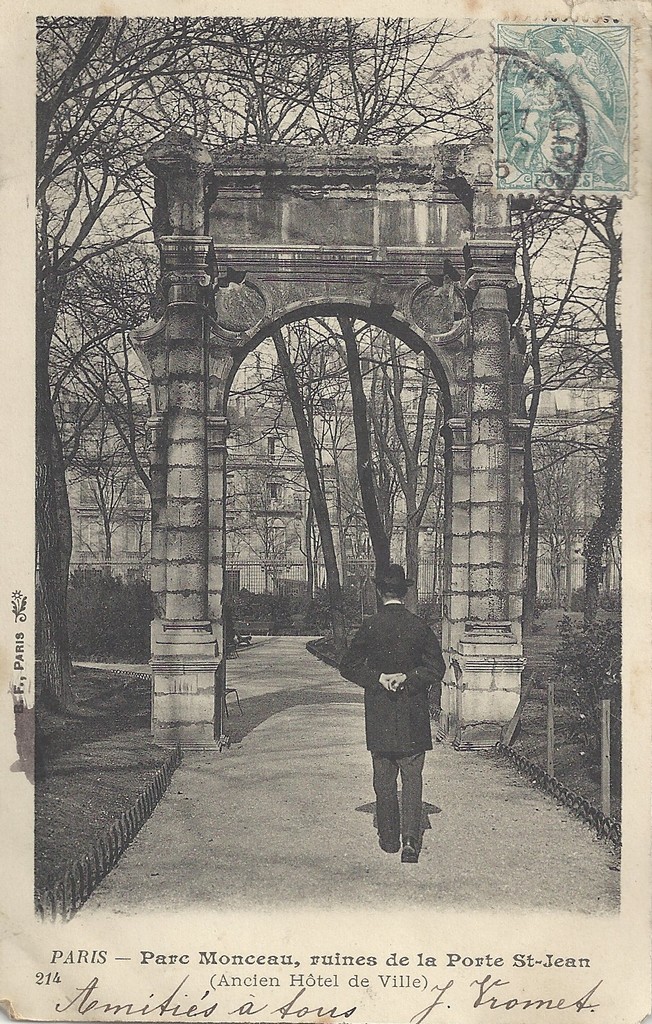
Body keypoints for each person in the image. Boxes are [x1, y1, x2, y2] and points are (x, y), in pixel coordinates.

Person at [339, 564, 446, 863]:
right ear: (405, 591)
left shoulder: (370, 626)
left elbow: (348, 666)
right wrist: (408, 678)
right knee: (412, 777)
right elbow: (436, 669)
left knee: (383, 776)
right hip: (412, 714)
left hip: (380, 714)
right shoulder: (419, 627)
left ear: (378, 591)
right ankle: (410, 839)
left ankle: (388, 837)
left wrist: (378, 678)